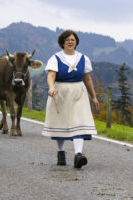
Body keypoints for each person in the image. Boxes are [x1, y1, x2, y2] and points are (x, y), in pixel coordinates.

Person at [42, 30, 99, 169]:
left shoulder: (83, 58)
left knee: (78, 121)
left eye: (72, 39)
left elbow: (87, 78)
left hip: (79, 92)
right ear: (62, 42)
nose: (70, 42)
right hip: (60, 91)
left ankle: (78, 155)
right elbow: (51, 75)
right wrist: (51, 87)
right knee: (61, 122)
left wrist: (94, 96)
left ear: (76, 42)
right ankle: (61, 153)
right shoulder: (55, 58)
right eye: (67, 39)